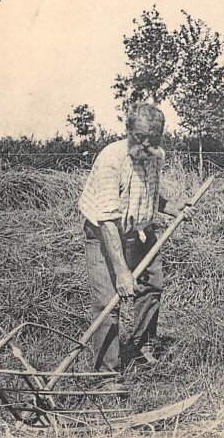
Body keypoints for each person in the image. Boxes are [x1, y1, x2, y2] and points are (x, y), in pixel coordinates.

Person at [78, 103, 193, 379]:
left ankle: (141, 348)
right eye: (141, 136)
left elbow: (147, 193)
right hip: (105, 234)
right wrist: (121, 272)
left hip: (140, 230)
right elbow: (107, 221)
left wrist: (172, 207)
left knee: (152, 286)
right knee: (109, 303)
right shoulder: (111, 160)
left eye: (153, 137)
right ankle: (106, 375)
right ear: (127, 130)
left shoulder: (155, 156)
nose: (146, 143)